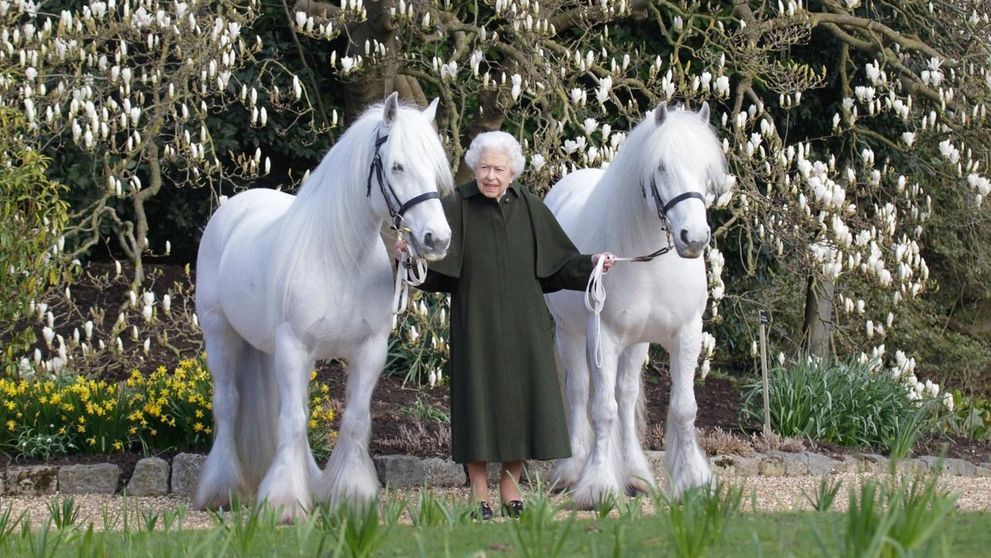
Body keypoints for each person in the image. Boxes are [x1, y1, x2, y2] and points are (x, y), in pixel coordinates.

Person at [409, 131, 614, 520]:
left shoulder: (531, 207)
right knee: (477, 406)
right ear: (474, 166)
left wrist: (592, 263)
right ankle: (479, 492)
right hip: (476, 324)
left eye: (498, 169)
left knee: (523, 405)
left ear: (512, 172)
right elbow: (437, 273)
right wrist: (411, 261)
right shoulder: (456, 205)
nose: (490, 176)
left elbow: (558, 265)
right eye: (484, 167)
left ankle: (511, 487)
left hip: (526, 326)